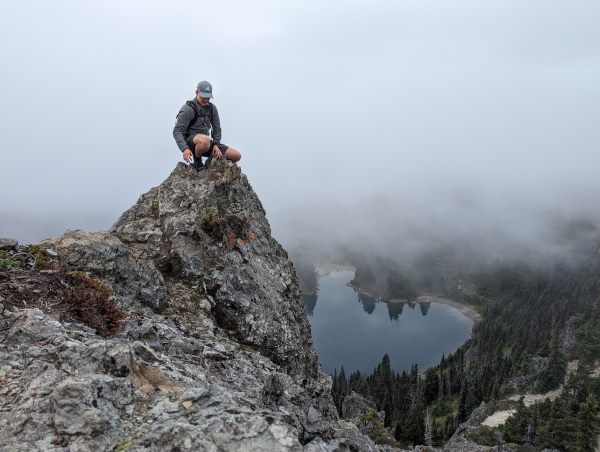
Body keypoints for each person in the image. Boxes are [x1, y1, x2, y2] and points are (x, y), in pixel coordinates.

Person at [173, 81, 242, 171]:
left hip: (207, 143)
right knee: (205, 140)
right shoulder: (187, 109)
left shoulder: (212, 108)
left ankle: (210, 163)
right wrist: (184, 149)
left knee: (236, 156)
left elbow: (217, 128)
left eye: (208, 97)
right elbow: (177, 131)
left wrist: (216, 144)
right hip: (191, 143)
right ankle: (197, 160)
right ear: (196, 92)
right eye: (203, 97)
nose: (206, 100)